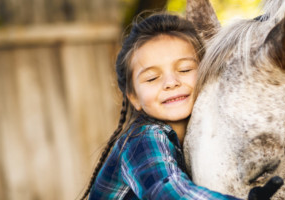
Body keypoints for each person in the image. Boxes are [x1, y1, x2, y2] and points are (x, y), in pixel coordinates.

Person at [80, 13, 238, 200]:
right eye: (152, 78)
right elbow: (167, 193)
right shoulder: (142, 140)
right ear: (134, 98)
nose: (171, 83)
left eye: (185, 69)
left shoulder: (208, 136)